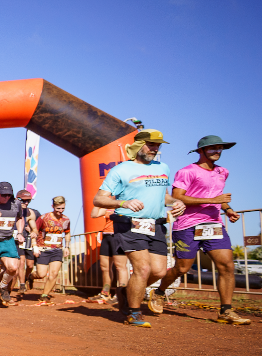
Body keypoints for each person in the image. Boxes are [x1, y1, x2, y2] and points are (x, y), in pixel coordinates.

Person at [149, 135, 250, 325]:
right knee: (182, 267)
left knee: (227, 266)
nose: (217, 152)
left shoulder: (223, 171)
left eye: (220, 148)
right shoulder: (187, 171)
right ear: (201, 151)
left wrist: (228, 210)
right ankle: (159, 292)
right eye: (212, 148)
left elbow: (217, 195)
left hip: (213, 224)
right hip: (187, 224)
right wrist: (214, 201)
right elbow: (178, 196)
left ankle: (226, 311)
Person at [93, 129, 185, 328]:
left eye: (158, 145)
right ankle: (133, 312)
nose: (155, 149)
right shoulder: (121, 170)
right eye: (151, 144)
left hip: (156, 225)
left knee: (159, 271)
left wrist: (175, 202)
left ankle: (126, 292)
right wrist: (123, 203)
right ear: (138, 145)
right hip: (129, 224)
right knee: (142, 268)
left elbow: (163, 197)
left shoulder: (163, 167)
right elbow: (98, 199)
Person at [87, 206, 129, 302]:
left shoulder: (126, 204)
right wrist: (97, 203)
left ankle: (121, 295)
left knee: (120, 267)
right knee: (104, 267)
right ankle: (105, 293)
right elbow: (93, 215)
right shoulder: (108, 207)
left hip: (119, 236)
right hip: (106, 237)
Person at [34, 197, 71, 302]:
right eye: (58, 208)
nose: (60, 211)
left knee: (54, 273)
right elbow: (35, 231)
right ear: (53, 206)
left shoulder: (66, 219)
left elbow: (67, 232)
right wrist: (34, 245)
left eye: (63, 208)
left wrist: (67, 246)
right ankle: (31, 277)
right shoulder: (44, 218)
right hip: (44, 249)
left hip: (57, 249)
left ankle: (44, 295)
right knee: (41, 274)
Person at [15, 189, 40, 294]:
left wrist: (34, 232)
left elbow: (35, 229)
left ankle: (27, 277)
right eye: (24, 201)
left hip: (28, 240)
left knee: (30, 265)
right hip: (17, 240)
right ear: (17, 199)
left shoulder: (30, 213)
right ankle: (22, 285)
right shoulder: (12, 210)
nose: (26, 203)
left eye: (28, 201)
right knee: (21, 263)